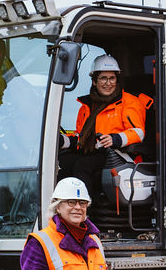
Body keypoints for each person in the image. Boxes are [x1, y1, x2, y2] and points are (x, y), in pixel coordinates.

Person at [59, 54, 153, 200]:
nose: (108, 83)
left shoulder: (130, 102)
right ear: (94, 81)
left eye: (112, 78)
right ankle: (62, 206)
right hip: (93, 151)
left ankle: (85, 208)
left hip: (118, 154)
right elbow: (81, 137)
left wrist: (115, 139)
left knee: (82, 166)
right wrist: (61, 141)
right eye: (103, 78)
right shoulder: (86, 106)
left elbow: (138, 132)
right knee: (61, 163)